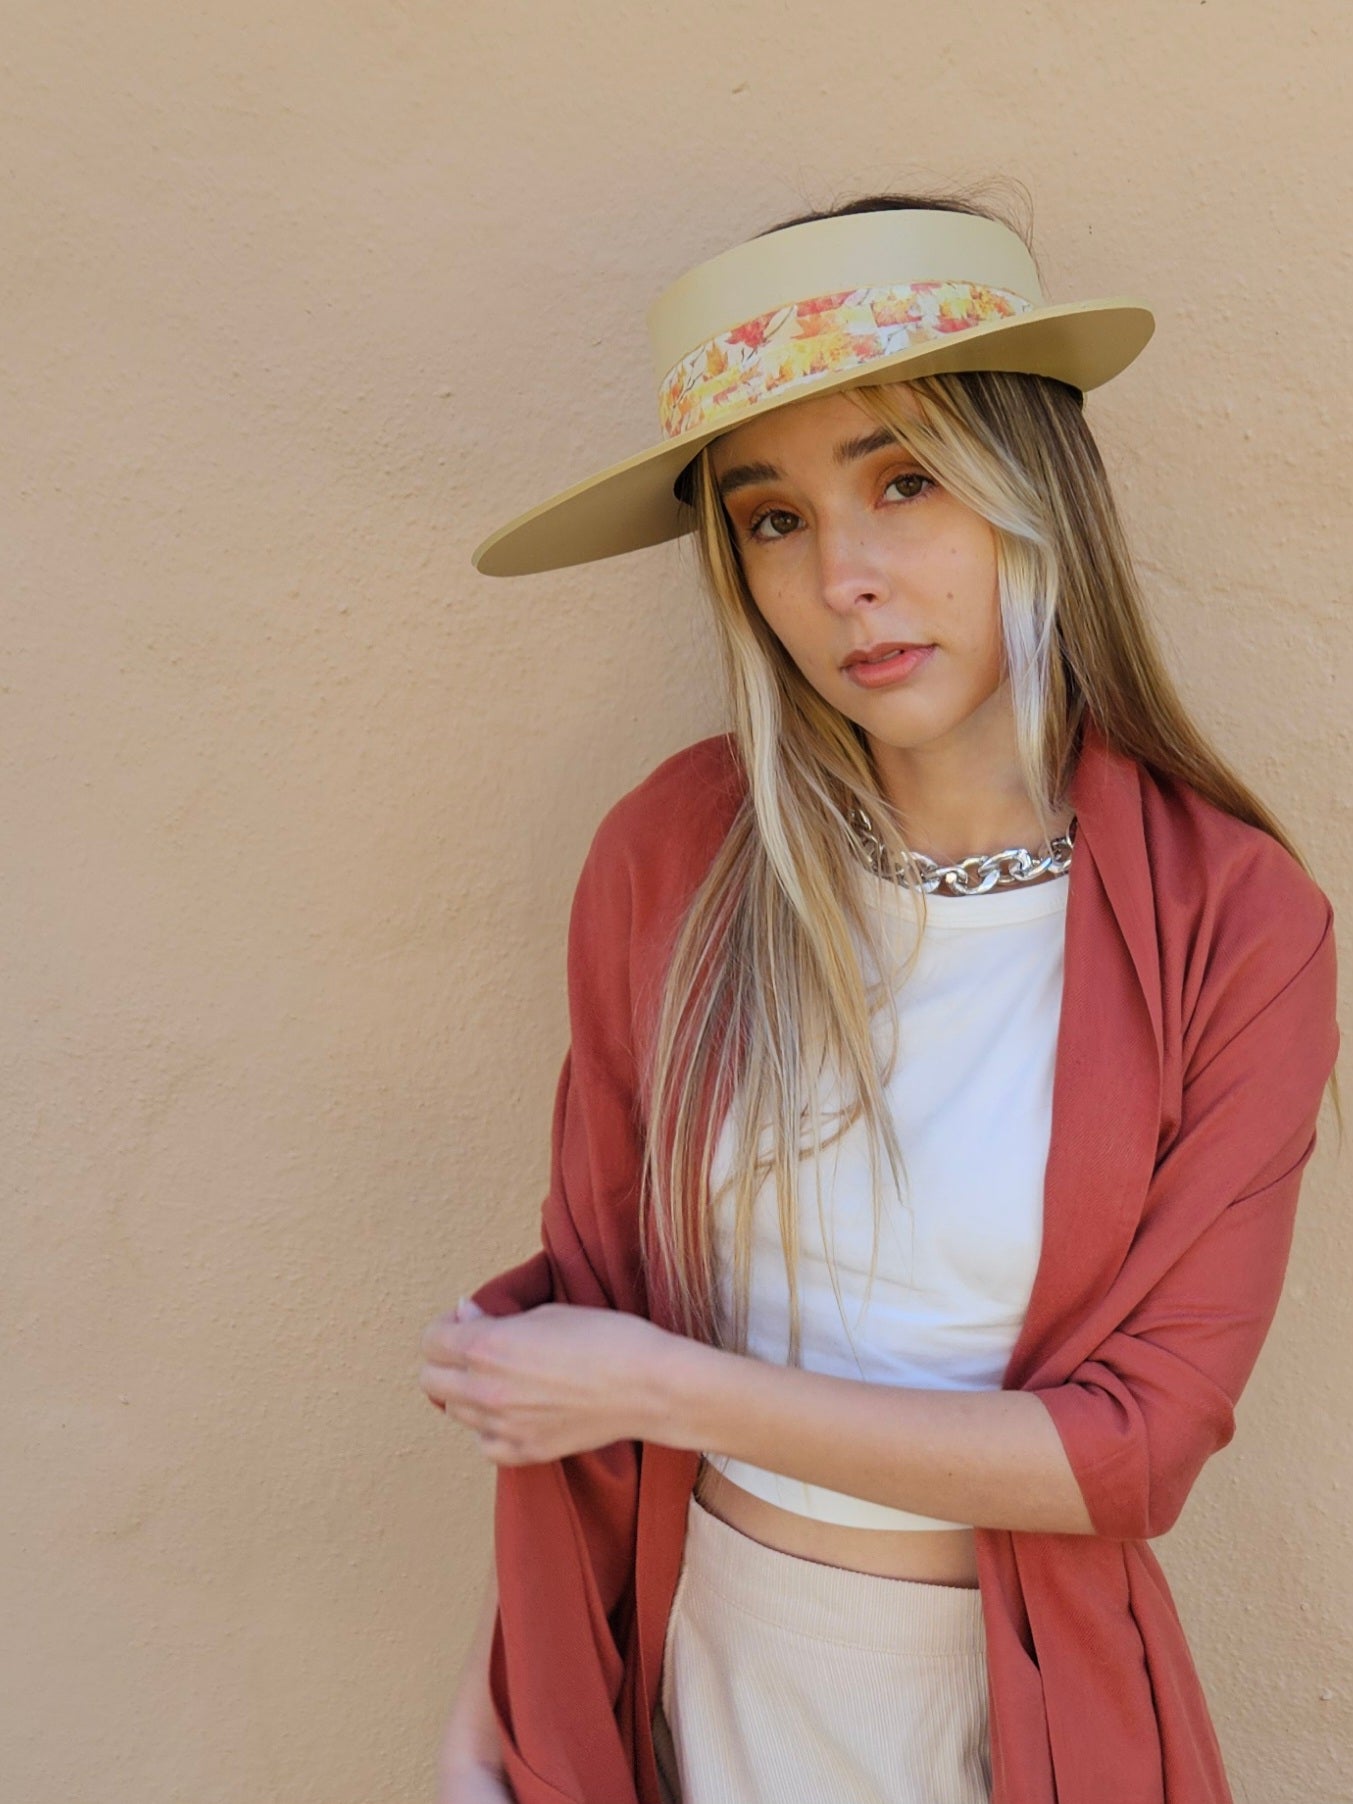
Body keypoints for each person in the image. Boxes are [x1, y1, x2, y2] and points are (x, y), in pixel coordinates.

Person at [418, 194, 1343, 1804]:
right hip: (686, 1683)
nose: (843, 574)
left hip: (997, 1723)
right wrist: (505, 1713)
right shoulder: (677, 856)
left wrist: (656, 1384)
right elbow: (592, 1311)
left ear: (1027, 490)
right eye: (770, 518)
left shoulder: (1231, 922)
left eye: (903, 481)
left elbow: (1131, 1453)